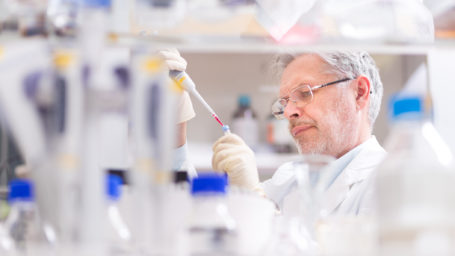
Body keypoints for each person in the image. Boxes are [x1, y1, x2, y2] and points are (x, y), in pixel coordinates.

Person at [211, 51, 387, 215]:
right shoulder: (287, 180)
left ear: (359, 93)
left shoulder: (387, 184)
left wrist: (253, 199)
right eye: (284, 103)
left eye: (304, 93)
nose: (288, 112)